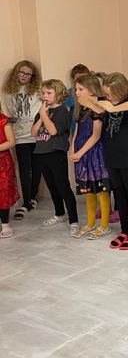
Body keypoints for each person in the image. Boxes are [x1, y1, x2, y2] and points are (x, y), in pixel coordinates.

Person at [80, 72, 128, 250]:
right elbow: (84, 101)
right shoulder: (106, 102)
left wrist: (109, 107)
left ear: (121, 91)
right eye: (106, 93)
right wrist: (99, 100)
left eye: (110, 94)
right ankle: (125, 231)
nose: (107, 97)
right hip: (111, 155)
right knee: (119, 192)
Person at [31, 79, 79, 235]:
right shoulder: (42, 111)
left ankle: (74, 220)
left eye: (49, 93)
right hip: (41, 152)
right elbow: (33, 132)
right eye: (43, 93)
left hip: (56, 152)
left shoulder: (62, 111)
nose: (45, 96)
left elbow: (53, 131)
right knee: (52, 186)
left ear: (58, 94)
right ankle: (60, 214)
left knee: (63, 186)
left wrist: (44, 116)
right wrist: (41, 115)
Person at [69, 74, 111, 240]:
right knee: (87, 190)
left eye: (80, 89)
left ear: (92, 90)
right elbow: (77, 131)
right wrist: (73, 149)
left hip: (94, 153)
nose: (76, 93)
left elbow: (95, 136)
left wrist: (80, 152)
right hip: (81, 152)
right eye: (76, 89)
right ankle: (90, 222)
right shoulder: (81, 109)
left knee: (101, 190)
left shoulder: (98, 110)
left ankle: (104, 225)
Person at [1, 60, 42, 219]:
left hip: (36, 134)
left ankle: (32, 198)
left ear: (33, 76)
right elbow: (5, 111)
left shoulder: (37, 89)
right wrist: (9, 121)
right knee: (25, 169)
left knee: (37, 168)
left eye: (28, 74)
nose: (24, 76)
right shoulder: (8, 91)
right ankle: (26, 202)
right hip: (19, 136)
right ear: (16, 72)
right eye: (22, 72)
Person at [0, 104, 19, 238]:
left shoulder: (3, 121)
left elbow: (11, 142)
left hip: (3, 162)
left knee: (4, 191)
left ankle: (5, 224)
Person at [64, 63, 91, 134]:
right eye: (79, 79)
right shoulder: (70, 93)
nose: (82, 81)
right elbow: (65, 112)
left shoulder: (93, 92)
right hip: (75, 129)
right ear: (73, 80)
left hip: (91, 128)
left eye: (85, 78)